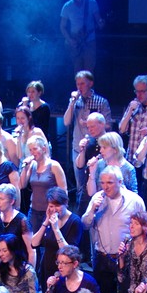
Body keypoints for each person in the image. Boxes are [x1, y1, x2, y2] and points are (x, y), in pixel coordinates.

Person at [81, 165, 146, 293]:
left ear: (120, 182)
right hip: (102, 256)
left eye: (109, 182)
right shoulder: (97, 198)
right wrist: (92, 210)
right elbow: (85, 224)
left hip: (126, 258)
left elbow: (145, 228)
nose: (105, 187)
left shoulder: (135, 201)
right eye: (102, 183)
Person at [64, 71, 112, 204]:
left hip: (96, 148)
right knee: (80, 185)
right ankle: (81, 211)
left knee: (95, 182)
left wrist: (89, 124)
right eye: (77, 84)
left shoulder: (101, 102)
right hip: (79, 147)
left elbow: (108, 124)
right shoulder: (76, 102)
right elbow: (66, 122)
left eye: (82, 84)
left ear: (90, 83)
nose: (79, 87)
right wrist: (72, 102)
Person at [31, 187, 82, 284]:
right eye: (51, 206)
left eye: (57, 206)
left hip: (64, 271)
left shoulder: (75, 221)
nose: (54, 210)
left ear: (65, 203)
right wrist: (46, 221)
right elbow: (34, 243)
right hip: (47, 269)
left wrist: (56, 229)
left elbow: (69, 253)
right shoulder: (50, 219)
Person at [20, 135, 67, 233]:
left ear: (44, 149)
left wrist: (60, 211)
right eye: (30, 150)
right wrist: (25, 168)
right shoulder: (32, 165)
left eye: (35, 149)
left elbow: (63, 190)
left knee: (48, 238)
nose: (32, 153)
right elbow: (22, 185)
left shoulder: (54, 166)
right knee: (32, 238)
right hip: (34, 210)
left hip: (50, 211)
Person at [0, 184, 35, 269]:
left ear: (12, 201)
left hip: (17, 267)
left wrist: (30, 272)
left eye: (1, 199)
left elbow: (31, 251)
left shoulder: (22, 220)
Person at [60, 0, 104, 73]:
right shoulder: (67, 6)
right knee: (77, 71)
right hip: (75, 43)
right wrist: (70, 40)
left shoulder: (92, 3)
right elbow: (62, 26)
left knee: (89, 71)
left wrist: (101, 23)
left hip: (89, 41)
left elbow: (99, 21)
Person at [85, 131, 139, 198]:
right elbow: (91, 193)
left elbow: (134, 196)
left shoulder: (128, 168)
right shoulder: (99, 164)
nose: (101, 151)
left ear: (115, 149)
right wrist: (92, 172)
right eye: (101, 147)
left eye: (104, 147)